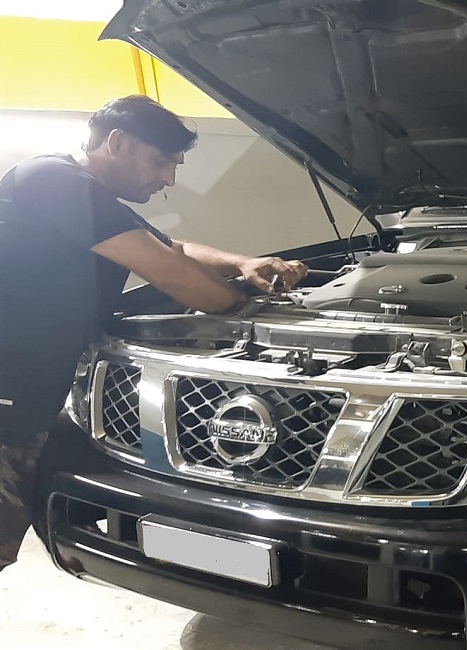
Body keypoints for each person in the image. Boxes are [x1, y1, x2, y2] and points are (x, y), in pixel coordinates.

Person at [0, 95, 308, 570]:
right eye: (161, 161)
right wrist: (255, 311)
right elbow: (170, 271)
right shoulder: (54, 180)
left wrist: (243, 263)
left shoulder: (89, 198)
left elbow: (174, 247)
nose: (168, 179)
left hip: (26, 403)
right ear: (117, 142)